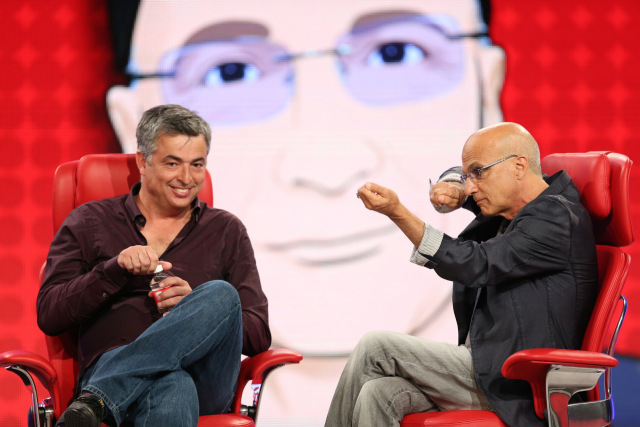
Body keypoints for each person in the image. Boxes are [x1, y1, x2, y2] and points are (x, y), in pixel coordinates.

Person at [106, 1, 505, 422]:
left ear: (487, 85)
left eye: (395, 52)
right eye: (230, 72)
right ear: (136, 134)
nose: (327, 167)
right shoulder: (109, 236)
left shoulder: (532, 222)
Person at [326, 122, 599, 426]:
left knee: (376, 347)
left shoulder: (555, 218)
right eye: (469, 177)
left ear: (519, 166)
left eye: (478, 173)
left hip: (516, 379)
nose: (470, 187)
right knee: (378, 393)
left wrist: (397, 213)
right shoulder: (523, 202)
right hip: (488, 364)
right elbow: (461, 173)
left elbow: (476, 263)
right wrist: (454, 182)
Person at [37, 104, 271, 426]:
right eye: (173, 163)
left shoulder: (226, 230)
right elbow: (50, 312)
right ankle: (110, 389)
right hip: (137, 377)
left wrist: (197, 306)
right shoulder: (90, 222)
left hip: (205, 379)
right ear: (142, 162)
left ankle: (98, 398)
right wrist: (112, 271)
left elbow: (258, 334)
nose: (187, 179)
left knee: (221, 294)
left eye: (197, 165)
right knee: (173, 385)